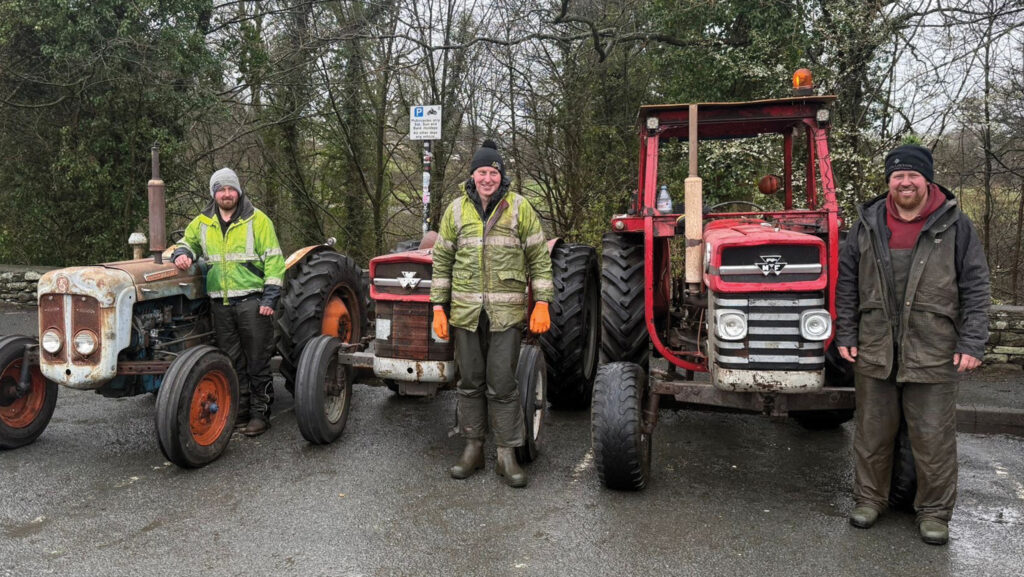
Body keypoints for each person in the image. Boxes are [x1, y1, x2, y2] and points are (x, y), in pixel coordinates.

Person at [836, 144, 990, 545]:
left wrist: (972, 341)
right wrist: (846, 332)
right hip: (875, 345)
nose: (905, 182)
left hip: (934, 347)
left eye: (913, 175)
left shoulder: (956, 224)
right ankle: (870, 499)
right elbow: (847, 282)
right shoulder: (868, 223)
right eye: (897, 176)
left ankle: (934, 512)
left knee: (933, 437)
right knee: (872, 433)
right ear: (889, 181)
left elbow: (976, 286)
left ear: (927, 179)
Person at [430, 140, 553, 488]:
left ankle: (506, 454)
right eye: (482, 172)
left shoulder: (519, 208)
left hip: (506, 314)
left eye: (493, 172)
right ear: (472, 175)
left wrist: (542, 301)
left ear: (502, 176)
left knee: (503, 384)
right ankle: (473, 447)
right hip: (466, 313)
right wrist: (438, 306)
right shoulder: (456, 210)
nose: (487, 178)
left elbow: (539, 258)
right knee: (469, 382)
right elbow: (442, 261)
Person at [172, 168, 285, 437]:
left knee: (257, 360)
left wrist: (270, 297)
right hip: (220, 304)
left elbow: (274, 260)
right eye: (221, 189)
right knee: (232, 361)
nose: (226, 194)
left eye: (230, 189)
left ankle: (260, 413)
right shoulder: (203, 222)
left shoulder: (258, 220)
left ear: (238, 191)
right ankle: (240, 411)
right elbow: (186, 242)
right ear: (214, 193)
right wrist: (182, 254)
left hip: (252, 302)